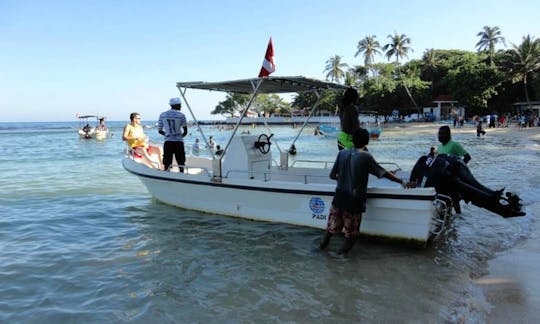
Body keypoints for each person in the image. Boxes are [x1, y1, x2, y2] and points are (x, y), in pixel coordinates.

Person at [319, 128, 416, 255]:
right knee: (351, 235)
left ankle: (319, 251)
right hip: (353, 202)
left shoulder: (342, 153)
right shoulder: (366, 156)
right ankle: (339, 259)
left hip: (338, 199)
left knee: (330, 230)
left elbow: (332, 176)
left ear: (352, 140)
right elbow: (383, 173)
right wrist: (403, 182)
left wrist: (344, 179)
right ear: (367, 142)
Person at [158, 97, 188, 172]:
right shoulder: (181, 115)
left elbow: (160, 130)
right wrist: (180, 136)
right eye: (180, 105)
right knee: (181, 161)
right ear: (176, 105)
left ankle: (167, 175)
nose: (181, 106)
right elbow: (185, 131)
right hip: (178, 142)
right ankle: (182, 174)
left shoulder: (162, 115)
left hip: (168, 141)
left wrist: (167, 135)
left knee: (167, 162)